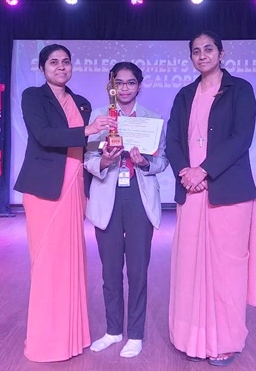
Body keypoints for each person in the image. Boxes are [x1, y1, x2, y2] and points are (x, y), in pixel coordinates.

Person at [165, 31, 256, 366]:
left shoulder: (240, 90)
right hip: (191, 191)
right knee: (189, 267)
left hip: (228, 192)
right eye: (196, 51)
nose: (202, 55)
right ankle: (191, 338)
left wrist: (203, 171)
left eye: (208, 49)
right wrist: (185, 172)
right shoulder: (184, 95)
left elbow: (241, 138)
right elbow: (173, 140)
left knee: (226, 270)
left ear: (221, 53)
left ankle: (225, 341)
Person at [14, 44, 116, 362]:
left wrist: (106, 150)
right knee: (47, 265)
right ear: (42, 67)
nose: (61, 67)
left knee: (72, 264)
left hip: (74, 189)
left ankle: (72, 337)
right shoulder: (33, 97)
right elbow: (45, 136)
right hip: (44, 191)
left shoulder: (82, 103)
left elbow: (86, 146)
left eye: (66, 62)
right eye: (54, 62)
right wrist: (89, 129)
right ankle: (46, 342)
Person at [84, 62, 169, 358]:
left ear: (139, 86)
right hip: (107, 195)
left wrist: (144, 162)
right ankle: (113, 331)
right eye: (119, 83)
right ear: (111, 86)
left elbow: (162, 161)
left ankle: (135, 334)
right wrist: (105, 161)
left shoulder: (152, 119)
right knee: (109, 271)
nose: (124, 88)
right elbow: (88, 159)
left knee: (137, 271)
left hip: (139, 196)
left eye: (130, 83)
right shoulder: (99, 117)